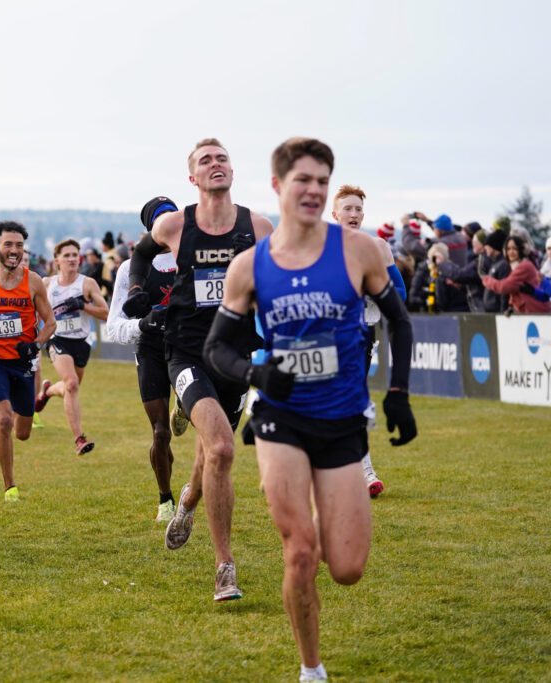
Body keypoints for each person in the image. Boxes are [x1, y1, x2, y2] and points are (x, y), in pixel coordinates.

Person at [205, 137, 417, 682]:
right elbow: (217, 349)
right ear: (278, 186)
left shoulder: (360, 251)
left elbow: (399, 320)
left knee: (346, 568)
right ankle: (311, 669)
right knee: (299, 552)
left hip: (343, 417)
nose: (315, 190)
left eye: (323, 180)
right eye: (304, 180)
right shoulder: (251, 267)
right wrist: (256, 375)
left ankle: (330, 513)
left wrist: (398, 394)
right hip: (280, 417)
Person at [124, 137, 273, 601]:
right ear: (192, 178)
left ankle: (188, 501)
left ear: (232, 170)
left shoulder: (259, 225)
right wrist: (135, 290)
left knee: (213, 452)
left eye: (222, 158)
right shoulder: (174, 224)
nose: (215, 165)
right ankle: (224, 567)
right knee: (224, 449)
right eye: (205, 161)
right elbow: (140, 254)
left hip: (235, 354)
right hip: (187, 353)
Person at [0, 221, 56, 502]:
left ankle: (17, 395)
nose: (14, 250)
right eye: (8, 245)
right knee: (4, 419)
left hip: (23, 364)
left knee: (23, 433)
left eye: (19, 245)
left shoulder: (33, 281)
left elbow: (50, 323)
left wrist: (36, 344)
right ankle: (10, 486)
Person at [105, 211, 184, 521]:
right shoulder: (130, 268)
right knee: (160, 432)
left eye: (173, 217)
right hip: (150, 350)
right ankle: (165, 498)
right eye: (161, 220)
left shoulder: (190, 257)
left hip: (185, 348)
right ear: (151, 228)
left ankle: (186, 406)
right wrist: (144, 324)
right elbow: (114, 326)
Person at [331, 185, 407, 498]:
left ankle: (363, 471)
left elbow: (399, 294)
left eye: (358, 209)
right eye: (347, 208)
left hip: (360, 335)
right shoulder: (321, 247)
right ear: (334, 213)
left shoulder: (378, 247)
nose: (353, 214)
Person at [34, 239, 109, 454]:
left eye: (75, 255)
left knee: (70, 388)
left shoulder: (87, 284)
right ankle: (79, 439)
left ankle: (47, 392)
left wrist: (83, 305)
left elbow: (105, 313)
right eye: (66, 255)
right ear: (57, 260)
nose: (72, 259)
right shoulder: (47, 284)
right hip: (57, 339)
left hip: (81, 343)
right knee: (72, 383)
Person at [481, 234, 551, 313]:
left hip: (537, 312)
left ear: (520, 250)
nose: (511, 252)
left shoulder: (524, 266)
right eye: (508, 249)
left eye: (514, 248)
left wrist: (486, 279)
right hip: (527, 312)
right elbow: (515, 292)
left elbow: (504, 286)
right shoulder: (513, 266)